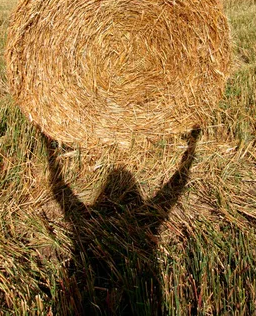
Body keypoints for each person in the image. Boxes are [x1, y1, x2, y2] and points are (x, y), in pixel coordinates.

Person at [43, 128, 200, 315]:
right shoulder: (149, 224)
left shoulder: (83, 220)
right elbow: (174, 192)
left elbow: (57, 191)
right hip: (143, 293)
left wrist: (48, 146)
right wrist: (191, 148)